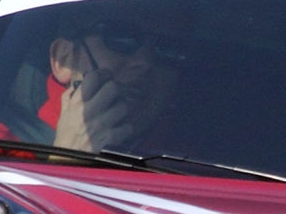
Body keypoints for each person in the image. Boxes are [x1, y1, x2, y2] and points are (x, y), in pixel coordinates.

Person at [47, 9, 185, 152]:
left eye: (168, 49)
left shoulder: (195, 162)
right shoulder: (23, 151)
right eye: (123, 39)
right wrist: (69, 152)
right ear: (63, 61)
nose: (146, 62)